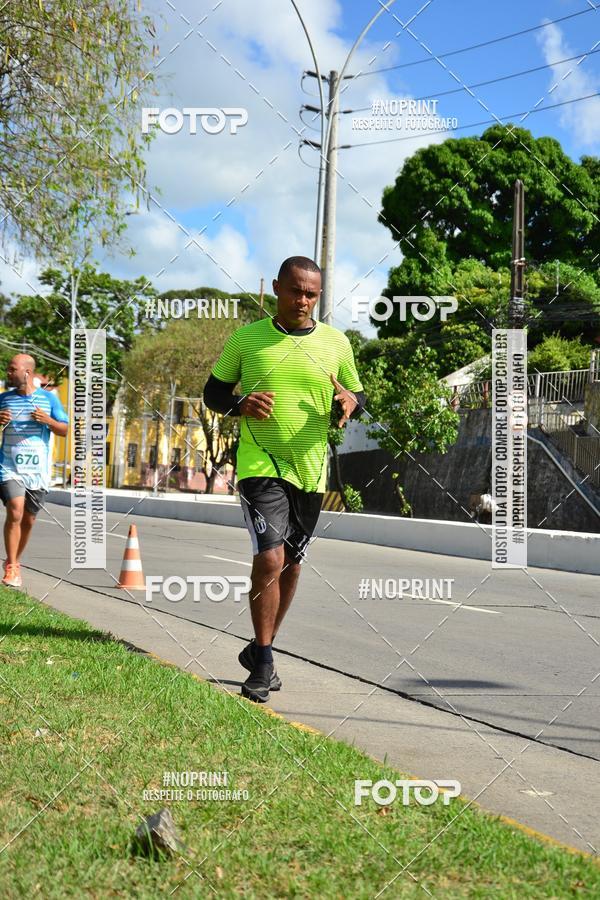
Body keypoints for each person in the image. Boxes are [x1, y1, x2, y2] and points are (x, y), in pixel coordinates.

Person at [203, 256, 366, 702]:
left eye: (311, 294)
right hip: (260, 463)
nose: (303, 301)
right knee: (270, 558)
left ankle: (260, 647)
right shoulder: (246, 339)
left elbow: (356, 394)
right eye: (295, 291)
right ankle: (265, 662)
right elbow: (213, 393)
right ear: (277, 288)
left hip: (311, 469)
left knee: (292, 564)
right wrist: (240, 405)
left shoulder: (336, 343)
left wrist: (349, 404)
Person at [0, 354, 68, 587]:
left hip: (37, 471)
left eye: (12, 369)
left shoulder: (49, 399)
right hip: (9, 467)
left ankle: (15, 560)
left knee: (28, 519)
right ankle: (11, 566)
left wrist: (48, 420)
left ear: (27, 372)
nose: (8, 373)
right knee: (15, 511)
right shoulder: (4, 399)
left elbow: (64, 430)